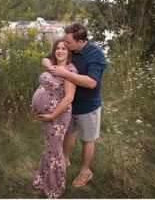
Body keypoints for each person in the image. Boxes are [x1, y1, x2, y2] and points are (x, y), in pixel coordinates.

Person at [42, 22, 108, 189]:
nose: (65, 45)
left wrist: (65, 73)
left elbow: (92, 82)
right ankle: (65, 158)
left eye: (69, 42)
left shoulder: (96, 55)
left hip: (88, 106)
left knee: (87, 139)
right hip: (68, 105)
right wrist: (52, 67)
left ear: (81, 42)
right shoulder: (69, 46)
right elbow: (46, 58)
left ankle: (85, 171)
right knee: (68, 132)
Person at [32, 38, 77, 197]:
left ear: (69, 52)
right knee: (50, 147)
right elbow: (44, 61)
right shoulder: (54, 66)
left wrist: (51, 115)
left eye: (64, 49)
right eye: (57, 48)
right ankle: (43, 180)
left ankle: (56, 187)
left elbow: (68, 98)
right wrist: (51, 66)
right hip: (47, 117)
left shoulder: (70, 71)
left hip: (57, 117)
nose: (60, 51)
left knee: (56, 151)